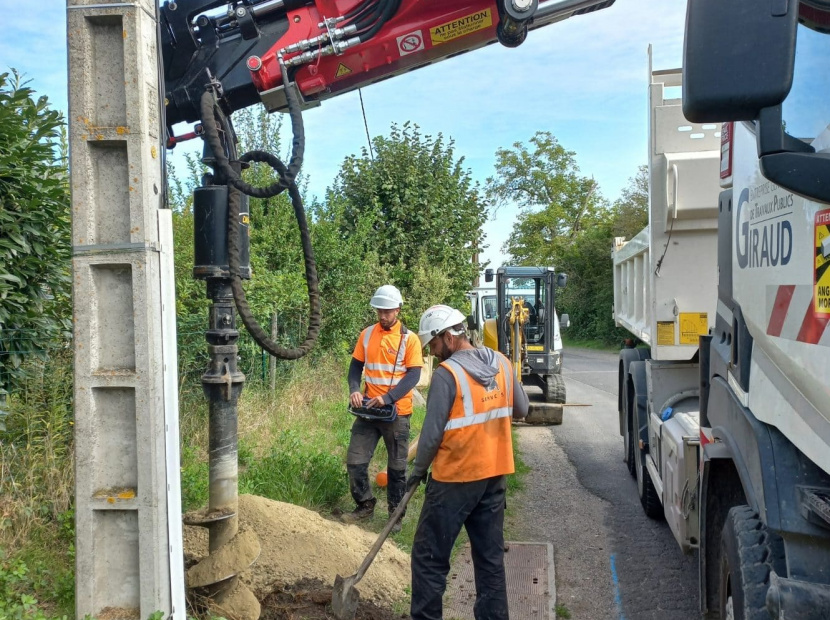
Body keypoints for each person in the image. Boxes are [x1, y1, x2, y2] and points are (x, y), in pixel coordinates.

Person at [407, 304, 529, 620]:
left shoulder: (447, 375)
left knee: (429, 559)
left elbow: (431, 436)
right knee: (490, 559)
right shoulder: (501, 362)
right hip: (494, 476)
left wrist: (417, 471)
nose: (433, 354)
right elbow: (522, 409)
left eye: (433, 345)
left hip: (454, 481)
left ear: (448, 337)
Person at [342, 284, 423, 531]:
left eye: (387, 311)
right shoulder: (367, 334)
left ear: (397, 310)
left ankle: (395, 517)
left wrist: (388, 398)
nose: (383, 315)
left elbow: (414, 375)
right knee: (355, 461)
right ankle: (365, 505)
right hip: (368, 411)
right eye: (379, 311)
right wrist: (355, 389)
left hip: (396, 412)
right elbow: (355, 366)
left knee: (397, 468)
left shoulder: (410, 339)